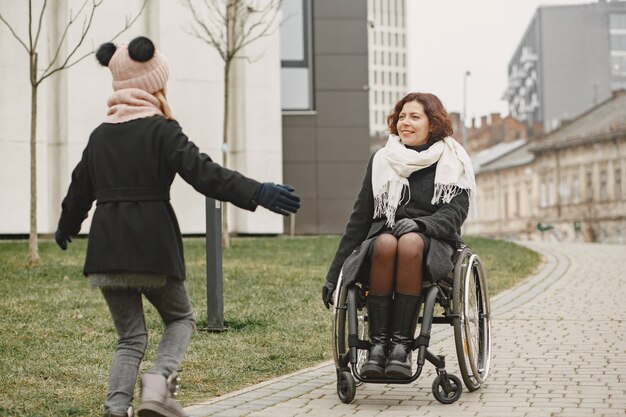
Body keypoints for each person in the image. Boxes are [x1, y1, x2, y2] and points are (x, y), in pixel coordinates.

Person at [54, 36, 300, 417]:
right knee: (180, 319)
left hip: (105, 251)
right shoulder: (162, 130)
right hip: (153, 248)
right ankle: (155, 391)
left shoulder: (99, 136)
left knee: (130, 337)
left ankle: (116, 408)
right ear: (155, 83)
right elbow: (207, 175)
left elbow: (78, 189)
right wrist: (259, 192)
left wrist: (66, 227)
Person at [322, 92, 475, 379]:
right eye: (402, 116)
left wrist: (422, 225)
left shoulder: (454, 160)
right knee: (384, 241)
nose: (406, 122)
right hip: (383, 245)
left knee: (409, 242)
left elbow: (456, 212)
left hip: (433, 244)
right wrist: (334, 275)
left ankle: (401, 347)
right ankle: (379, 347)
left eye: (415, 117)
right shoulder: (381, 160)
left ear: (433, 123)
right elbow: (359, 220)